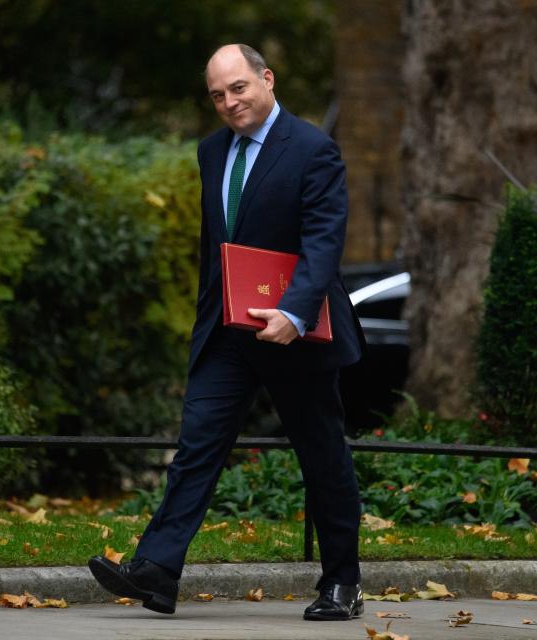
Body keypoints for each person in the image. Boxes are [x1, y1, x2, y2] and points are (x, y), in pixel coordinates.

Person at [88, 43, 366, 621]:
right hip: (227, 334)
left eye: (238, 87)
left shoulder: (314, 148)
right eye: (217, 94)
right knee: (196, 448)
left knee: (323, 459)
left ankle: (343, 583)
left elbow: (322, 242)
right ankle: (158, 573)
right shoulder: (212, 151)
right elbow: (213, 246)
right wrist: (207, 319)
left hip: (298, 332)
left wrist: (291, 313)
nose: (229, 102)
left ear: (266, 79)